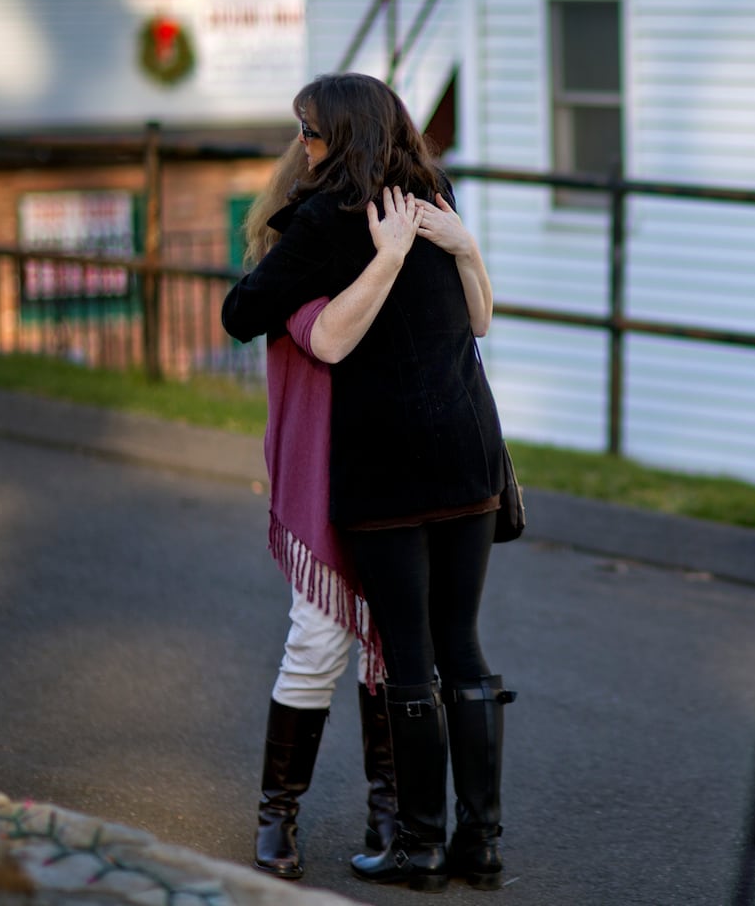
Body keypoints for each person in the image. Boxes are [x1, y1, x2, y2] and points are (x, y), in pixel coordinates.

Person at [221, 72, 514, 894]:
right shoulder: (434, 191)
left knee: (412, 658)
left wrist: (409, 257)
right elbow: (479, 322)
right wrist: (447, 247)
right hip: (469, 457)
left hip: (390, 466)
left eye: (310, 132)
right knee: (460, 650)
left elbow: (243, 315)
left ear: (342, 136)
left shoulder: (321, 221)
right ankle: (478, 845)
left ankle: (417, 845)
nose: (302, 146)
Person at [240, 139, 418, 881]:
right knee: (316, 643)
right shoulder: (293, 267)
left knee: (386, 642)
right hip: (323, 480)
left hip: (389, 478)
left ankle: (389, 807)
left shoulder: (384, 261)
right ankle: (277, 814)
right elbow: (330, 340)